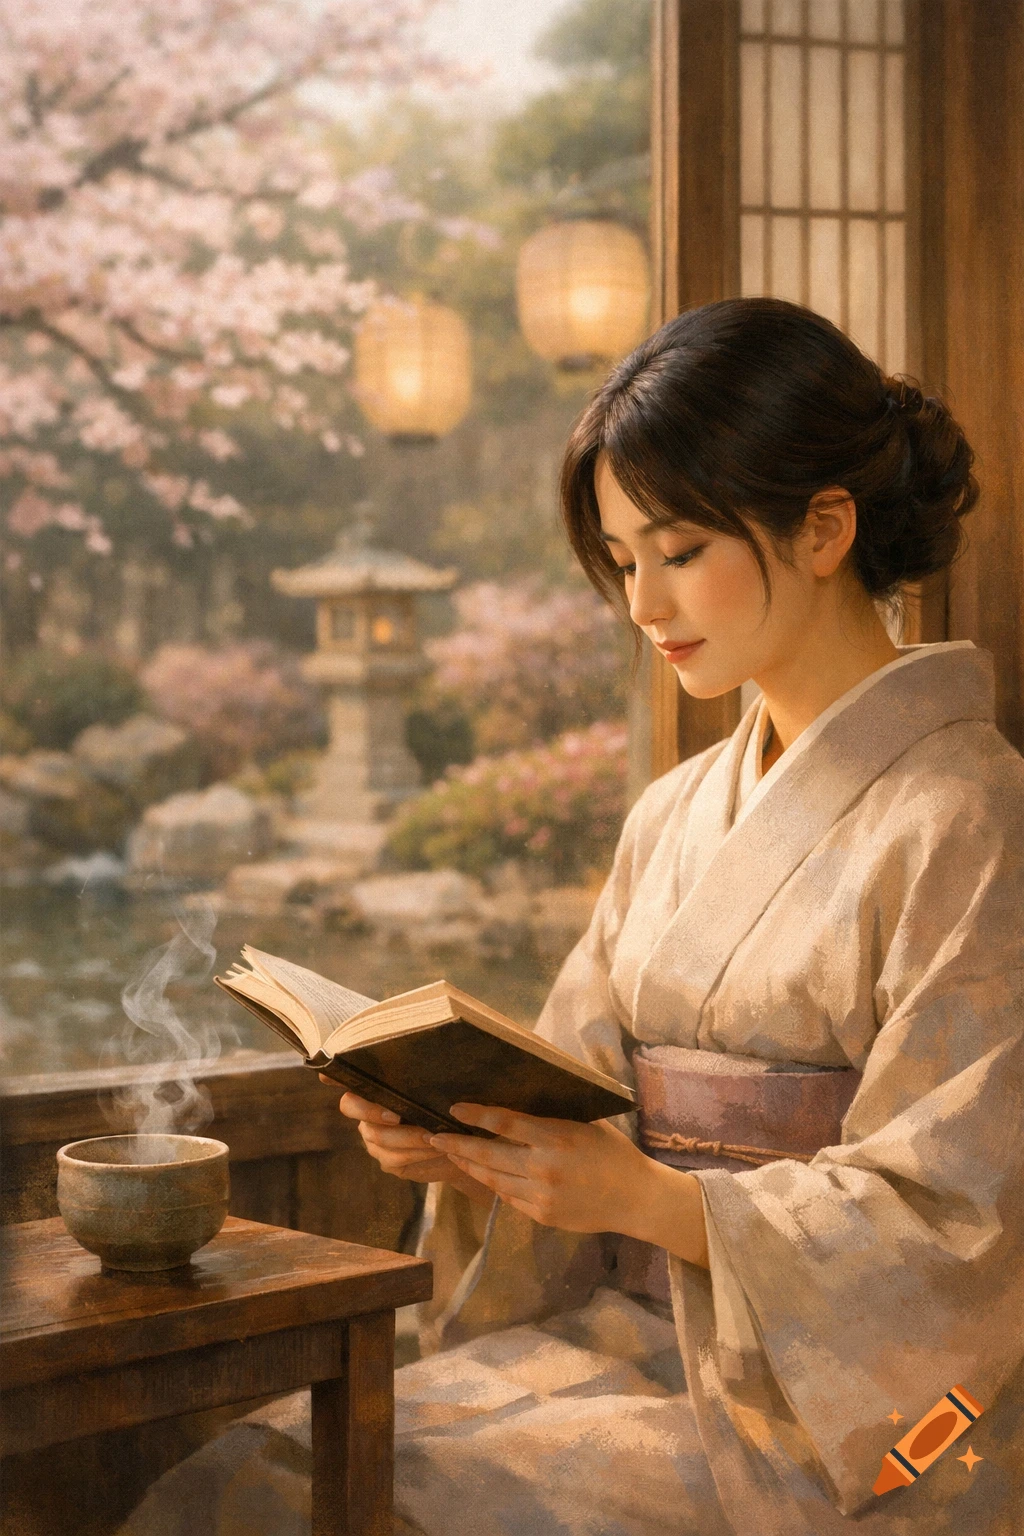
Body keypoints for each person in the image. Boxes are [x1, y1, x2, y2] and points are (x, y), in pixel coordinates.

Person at [118, 298, 1024, 1536]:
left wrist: (649, 1202)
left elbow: (960, 1214)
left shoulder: (970, 814)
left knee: (344, 1502)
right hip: (624, 1331)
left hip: (828, 1418)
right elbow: (578, 1086)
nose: (644, 604)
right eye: (623, 559)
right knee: (256, 1473)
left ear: (823, 528)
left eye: (680, 549)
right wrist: (469, 1145)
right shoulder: (673, 810)